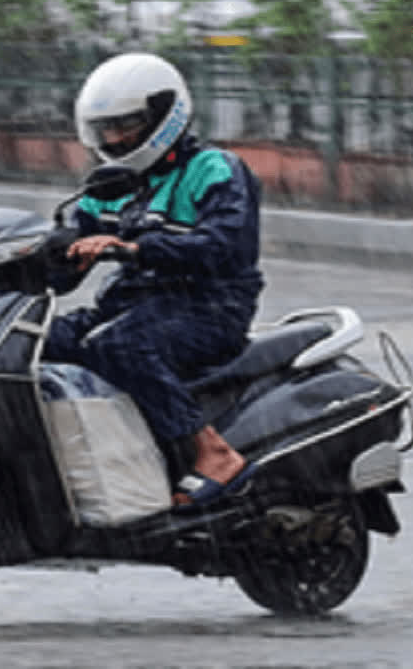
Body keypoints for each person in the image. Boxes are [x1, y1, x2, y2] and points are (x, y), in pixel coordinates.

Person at [43, 52, 264, 509]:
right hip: (132, 304)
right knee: (37, 342)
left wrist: (135, 248)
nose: (116, 138)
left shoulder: (215, 169)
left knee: (121, 345)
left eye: (127, 126)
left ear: (165, 116)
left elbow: (224, 246)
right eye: (107, 130)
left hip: (209, 307)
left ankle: (213, 452)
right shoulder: (111, 184)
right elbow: (71, 247)